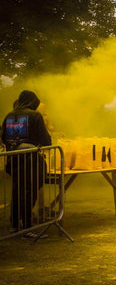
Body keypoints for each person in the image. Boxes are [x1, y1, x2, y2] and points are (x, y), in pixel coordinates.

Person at [1, 90, 51, 237]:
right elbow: (46, 141)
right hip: (31, 161)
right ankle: (28, 228)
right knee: (29, 192)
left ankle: (15, 226)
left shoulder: (9, 115)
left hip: (13, 160)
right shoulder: (35, 116)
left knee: (16, 192)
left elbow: (3, 138)